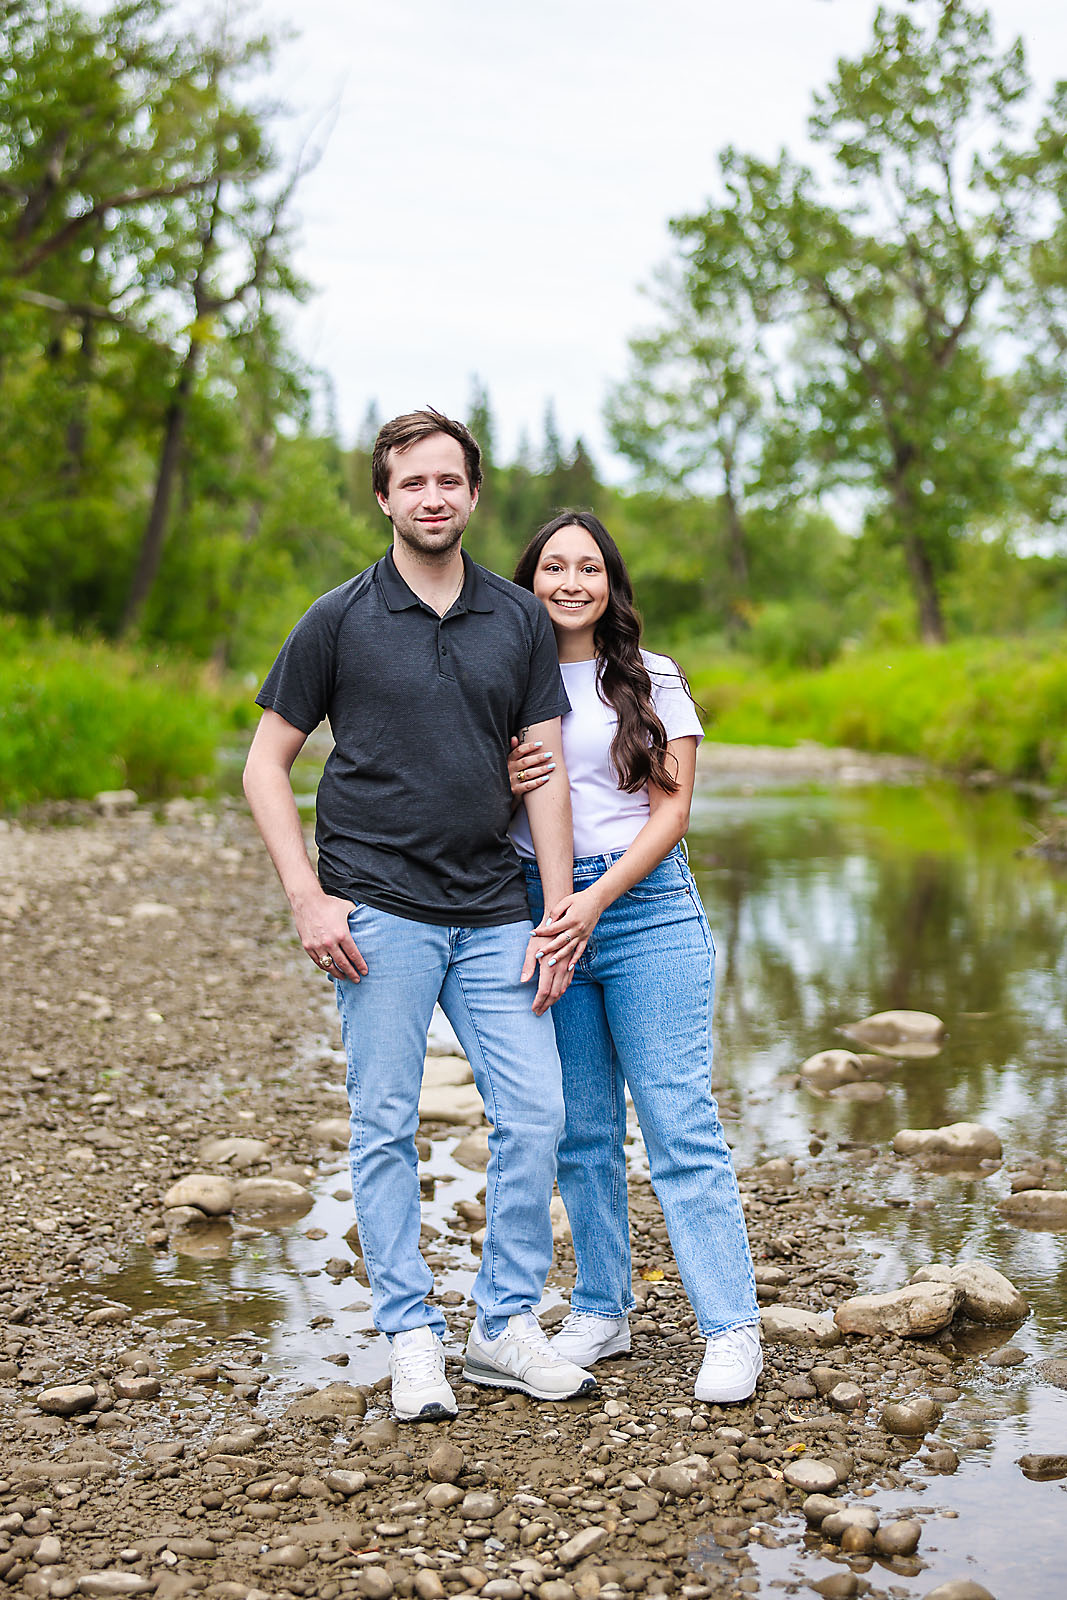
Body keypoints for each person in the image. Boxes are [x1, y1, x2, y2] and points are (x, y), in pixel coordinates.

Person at [242, 411, 597, 1422]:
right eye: (412, 482)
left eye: (449, 480)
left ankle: (500, 1325)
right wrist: (306, 894)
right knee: (383, 1125)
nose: (432, 497)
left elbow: (545, 777)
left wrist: (558, 908)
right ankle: (409, 1335)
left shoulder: (518, 620)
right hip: (376, 912)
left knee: (537, 1114)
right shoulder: (337, 618)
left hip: (493, 908)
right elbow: (265, 763)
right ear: (384, 496)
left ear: (472, 496)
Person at [507, 510, 762, 1403]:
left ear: (610, 584)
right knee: (581, 1130)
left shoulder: (651, 679)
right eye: (552, 567)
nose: (570, 582)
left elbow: (671, 812)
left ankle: (731, 1328)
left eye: (588, 567)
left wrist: (593, 901)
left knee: (677, 1124)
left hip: (643, 910)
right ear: (527, 580)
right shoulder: (505, 675)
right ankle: (602, 1310)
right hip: (544, 910)